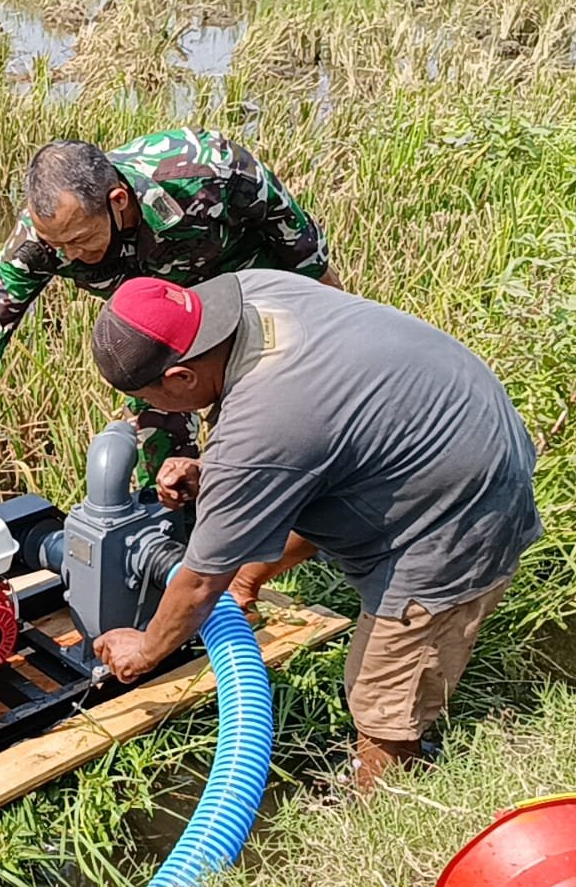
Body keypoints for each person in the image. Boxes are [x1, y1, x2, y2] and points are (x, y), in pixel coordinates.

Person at [87, 272, 543, 788]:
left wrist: (145, 651)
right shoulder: (253, 291)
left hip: (464, 508)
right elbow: (328, 430)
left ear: (182, 378)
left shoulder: (267, 425)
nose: (154, 413)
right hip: (457, 425)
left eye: (151, 399)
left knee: (381, 694)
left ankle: (385, 805)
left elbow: (197, 585)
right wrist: (218, 476)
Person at [0, 129, 338, 512]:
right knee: (163, 453)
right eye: (59, 246)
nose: (70, 256)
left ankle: (282, 525)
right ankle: (177, 534)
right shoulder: (46, 239)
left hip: (243, 292)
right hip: (158, 325)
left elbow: (299, 245)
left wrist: (339, 330)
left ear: (118, 201)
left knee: (263, 415)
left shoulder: (204, 171)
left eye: (81, 240)